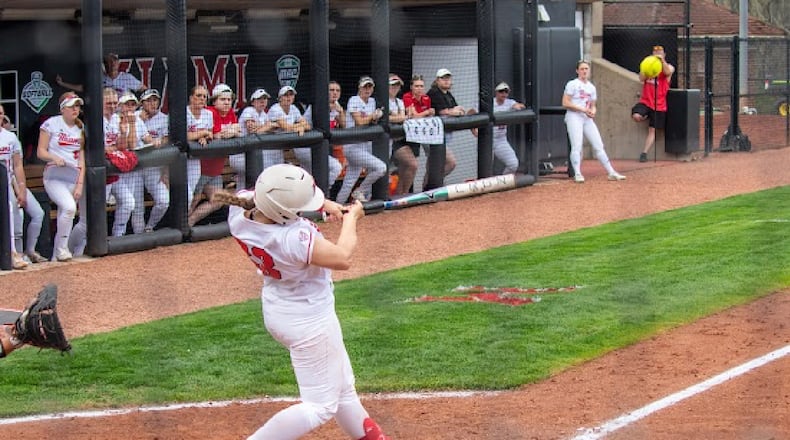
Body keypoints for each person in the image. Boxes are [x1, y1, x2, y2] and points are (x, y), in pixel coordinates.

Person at [213, 163, 391, 440]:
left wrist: (324, 206)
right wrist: (352, 218)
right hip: (310, 322)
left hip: (282, 308)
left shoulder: (239, 211)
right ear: (284, 212)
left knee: (343, 389)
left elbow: (264, 197)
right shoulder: (292, 238)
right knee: (320, 406)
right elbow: (342, 257)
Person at [36, 92, 87, 261]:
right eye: (72, 106)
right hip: (54, 176)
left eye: (78, 106)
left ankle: (54, 259)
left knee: (64, 215)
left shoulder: (80, 128)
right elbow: (41, 151)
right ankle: (62, 249)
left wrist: (80, 184)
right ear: (63, 108)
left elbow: (81, 158)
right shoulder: (51, 124)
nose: (75, 109)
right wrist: (54, 157)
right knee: (70, 208)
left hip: (72, 177)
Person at [562, 60, 626, 183]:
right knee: (577, 146)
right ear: (577, 71)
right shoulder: (572, 84)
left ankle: (611, 172)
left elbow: (593, 104)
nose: (584, 71)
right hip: (574, 116)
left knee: (599, 145)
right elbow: (565, 102)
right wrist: (582, 109)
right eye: (582, 69)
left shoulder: (591, 87)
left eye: (586, 69)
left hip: (586, 118)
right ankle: (578, 173)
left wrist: (593, 111)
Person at [188, 83, 240, 227]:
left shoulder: (230, 113)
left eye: (229, 100)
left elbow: (236, 131)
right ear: (214, 101)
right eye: (222, 99)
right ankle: (181, 226)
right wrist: (231, 131)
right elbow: (217, 135)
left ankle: (189, 222)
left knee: (218, 200)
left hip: (216, 170)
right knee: (194, 199)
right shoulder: (210, 112)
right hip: (201, 168)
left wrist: (231, 131)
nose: (227, 103)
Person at [0, 104, 46, 266]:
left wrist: (21, 189)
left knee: (30, 214)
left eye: (0, 113)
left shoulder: (10, 138)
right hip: (3, 186)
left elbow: (17, 166)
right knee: (13, 213)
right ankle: (13, 253)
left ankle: (22, 252)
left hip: (10, 182)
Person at [335, 76, 387, 204]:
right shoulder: (354, 100)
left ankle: (337, 206)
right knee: (381, 168)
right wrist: (372, 116)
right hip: (352, 146)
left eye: (370, 87)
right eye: (365, 86)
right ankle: (360, 190)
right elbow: (359, 122)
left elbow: (371, 122)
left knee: (349, 182)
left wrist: (375, 118)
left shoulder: (372, 101)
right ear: (359, 87)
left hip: (365, 146)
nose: (367, 89)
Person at [111, 92, 154, 236]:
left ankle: (135, 235)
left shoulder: (137, 119)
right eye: (127, 104)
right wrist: (131, 123)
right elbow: (132, 144)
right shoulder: (115, 119)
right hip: (117, 169)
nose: (130, 107)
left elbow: (146, 138)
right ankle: (118, 235)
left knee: (133, 204)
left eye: (132, 104)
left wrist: (156, 142)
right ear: (120, 106)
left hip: (133, 168)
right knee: (125, 203)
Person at [135, 88, 170, 232]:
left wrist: (166, 172)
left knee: (163, 201)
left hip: (153, 167)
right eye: (148, 100)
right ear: (142, 103)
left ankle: (149, 227)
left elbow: (167, 141)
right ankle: (138, 237)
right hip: (134, 168)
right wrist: (138, 121)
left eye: (155, 100)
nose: (152, 103)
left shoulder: (164, 118)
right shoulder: (134, 116)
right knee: (136, 207)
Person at [633, 45, 675, 162]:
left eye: (660, 53)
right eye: (655, 53)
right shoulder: (649, 67)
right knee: (636, 116)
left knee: (652, 130)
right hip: (646, 101)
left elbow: (667, 72)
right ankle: (645, 116)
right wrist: (645, 68)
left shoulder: (669, 67)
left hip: (659, 104)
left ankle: (644, 153)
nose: (657, 54)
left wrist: (661, 61)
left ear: (664, 54)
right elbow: (641, 78)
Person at [233, 87, 276, 189]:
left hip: (251, 153)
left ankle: (242, 202)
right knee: (259, 177)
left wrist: (265, 127)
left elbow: (273, 127)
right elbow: (252, 131)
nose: (263, 101)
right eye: (259, 99)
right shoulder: (249, 110)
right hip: (240, 155)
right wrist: (267, 126)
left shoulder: (264, 114)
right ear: (252, 102)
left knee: (243, 184)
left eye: (265, 99)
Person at [401, 74, 435, 194]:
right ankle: (402, 194)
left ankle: (427, 187)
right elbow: (413, 116)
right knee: (401, 167)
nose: (419, 88)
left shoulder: (426, 98)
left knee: (434, 157)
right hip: (406, 136)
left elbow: (429, 116)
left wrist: (427, 113)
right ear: (411, 87)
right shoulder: (407, 97)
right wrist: (426, 112)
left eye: (421, 86)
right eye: (416, 86)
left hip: (422, 134)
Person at [426, 68, 461, 185]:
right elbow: (442, 111)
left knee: (432, 166)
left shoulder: (448, 94)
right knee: (451, 162)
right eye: (443, 78)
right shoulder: (434, 92)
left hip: (443, 135)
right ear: (437, 80)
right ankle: (433, 184)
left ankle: (428, 189)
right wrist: (452, 111)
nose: (446, 81)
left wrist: (454, 111)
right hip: (432, 136)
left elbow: (457, 109)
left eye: (448, 78)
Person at [56, 52, 147, 96]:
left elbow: (144, 89)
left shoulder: (126, 77)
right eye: (109, 62)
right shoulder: (100, 79)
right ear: (105, 65)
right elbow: (83, 88)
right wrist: (62, 83)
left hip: (122, 114)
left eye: (114, 61)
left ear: (118, 63)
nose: (112, 64)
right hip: (106, 114)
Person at [186, 85, 214, 210]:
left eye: (204, 96)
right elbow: (184, 136)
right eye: (198, 96)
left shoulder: (208, 114)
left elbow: (211, 133)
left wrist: (205, 137)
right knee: (184, 195)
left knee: (190, 194)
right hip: (179, 160)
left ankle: (184, 221)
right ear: (191, 98)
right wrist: (202, 133)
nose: (202, 99)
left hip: (194, 159)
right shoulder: (183, 113)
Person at [386, 74, 414, 197]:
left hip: (398, 140)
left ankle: (402, 195)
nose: (395, 88)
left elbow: (401, 118)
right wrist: (401, 117)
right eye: (392, 85)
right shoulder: (381, 100)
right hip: (383, 141)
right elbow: (387, 118)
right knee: (382, 172)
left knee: (411, 165)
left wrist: (399, 117)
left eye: (397, 85)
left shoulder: (399, 102)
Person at [491, 81, 526, 175]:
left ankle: (502, 183)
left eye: (506, 92)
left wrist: (517, 106)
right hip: (487, 140)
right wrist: (474, 130)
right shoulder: (489, 103)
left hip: (500, 140)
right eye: (501, 91)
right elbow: (471, 112)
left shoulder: (509, 102)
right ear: (496, 92)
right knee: (486, 168)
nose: (504, 94)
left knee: (513, 164)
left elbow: (519, 106)